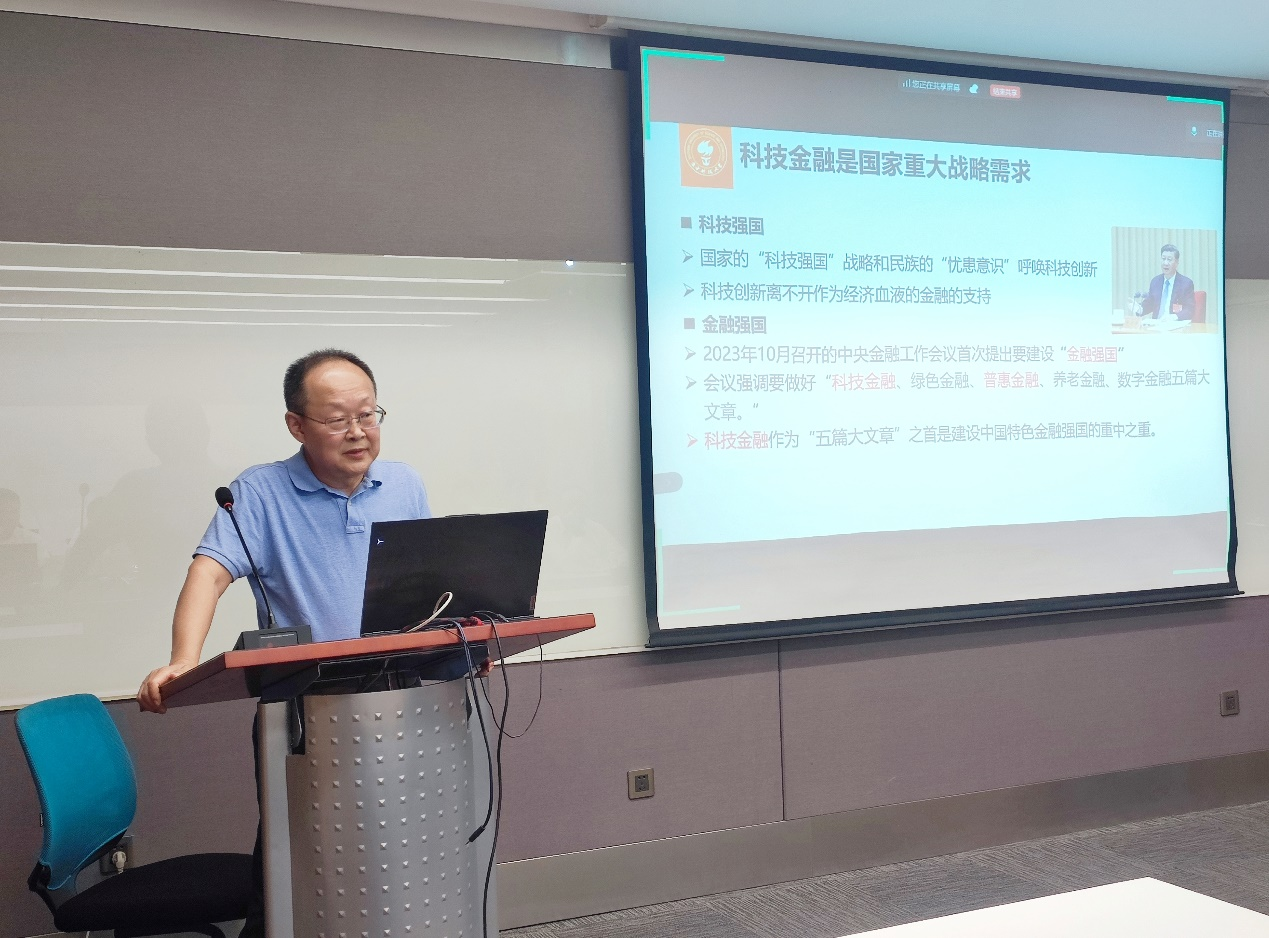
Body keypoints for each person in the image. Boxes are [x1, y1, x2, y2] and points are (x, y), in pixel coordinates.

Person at [137, 348, 432, 710]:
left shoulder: (404, 483)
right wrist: (184, 660)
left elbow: (428, 584)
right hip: (308, 699)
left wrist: (465, 642)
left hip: (406, 689)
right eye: (337, 420)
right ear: (297, 426)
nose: (357, 432)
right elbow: (208, 575)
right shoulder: (260, 492)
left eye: (367, 415)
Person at [1139, 244, 1195, 321]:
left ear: (1176, 262)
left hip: (1175, 325)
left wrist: (1174, 317)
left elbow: (1189, 309)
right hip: (1156, 325)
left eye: (1169, 259)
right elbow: (1150, 303)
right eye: (1163, 259)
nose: (1165, 263)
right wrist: (1139, 309)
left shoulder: (1186, 284)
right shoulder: (1155, 282)